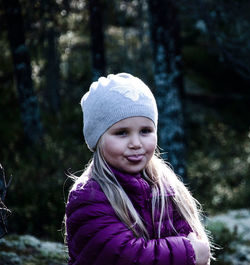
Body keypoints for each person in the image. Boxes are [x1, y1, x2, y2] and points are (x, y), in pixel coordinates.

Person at [65, 73, 211, 265]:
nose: (136, 143)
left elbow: (192, 237)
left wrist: (195, 250)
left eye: (145, 131)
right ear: (97, 139)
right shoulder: (89, 197)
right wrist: (189, 252)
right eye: (122, 133)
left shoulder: (164, 185)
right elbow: (126, 256)